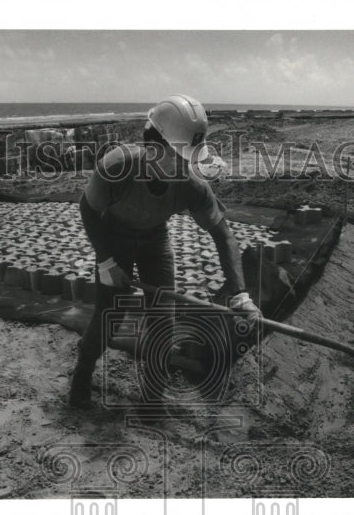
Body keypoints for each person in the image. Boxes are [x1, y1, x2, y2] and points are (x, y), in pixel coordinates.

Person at [68, 94, 260, 409]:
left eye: (189, 158)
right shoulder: (118, 166)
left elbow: (223, 235)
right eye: (178, 156)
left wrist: (240, 294)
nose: (185, 166)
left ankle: (152, 401)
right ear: (154, 146)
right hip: (114, 238)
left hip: (154, 241)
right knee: (110, 316)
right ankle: (82, 375)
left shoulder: (190, 184)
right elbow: (88, 209)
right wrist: (105, 260)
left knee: (163, 321)